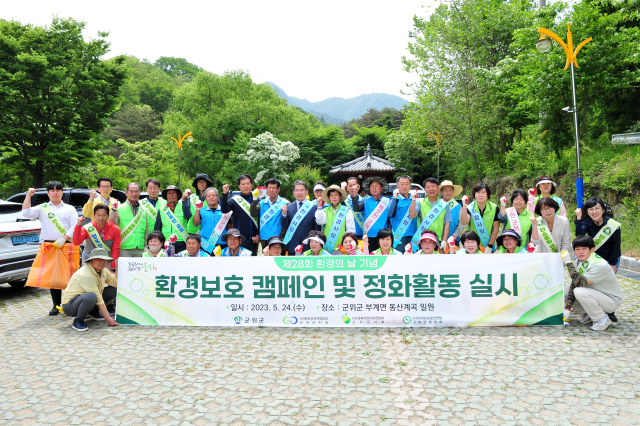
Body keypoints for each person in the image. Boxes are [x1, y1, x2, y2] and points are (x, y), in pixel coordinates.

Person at [22, 182, 79, 315]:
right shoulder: (43, 208)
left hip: (67, 245)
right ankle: (56, 306)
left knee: (71, 276)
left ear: (62, 192)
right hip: (50, 246)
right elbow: (26, 212)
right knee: (54, 278)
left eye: (58, 190)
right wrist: (28, 195)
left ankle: (71, 305)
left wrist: (63, 238)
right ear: (48, 193)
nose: (55, 192)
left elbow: (74, 226)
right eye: (52, 190)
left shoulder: (70, 208)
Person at [562, 236, 623, 331]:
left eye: (584, 249)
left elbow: (580, 283)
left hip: (611, 301)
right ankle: (589, 314)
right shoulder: (579, 262)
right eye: (577, 249)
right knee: (561, 291)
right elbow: (573, 285)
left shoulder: (599, 265)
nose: (580, 252)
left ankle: (601, 319)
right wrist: (567, 308)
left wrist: (568, 263)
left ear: (592, 249)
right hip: (595, 295)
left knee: (579, 291)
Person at [61, 248, 119, 331]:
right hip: (70, 306)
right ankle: (78, 321)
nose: (102, 261)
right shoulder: (86, 274)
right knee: (91, 296)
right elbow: (98, 299)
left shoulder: (103, 270)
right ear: (91, 260)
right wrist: (109, 319)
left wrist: (117, 267)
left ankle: (93, 312)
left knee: (113, 289)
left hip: (85, 300)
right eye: (99, 259)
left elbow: (115, 283)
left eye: (105, 259)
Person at [575, 197, 621, 273]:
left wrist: (612, 263)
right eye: (591, 209)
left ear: (603, 210)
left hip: (610, 257)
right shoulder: (587, 222)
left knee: (607, 282)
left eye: (597, 208)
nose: (594, 212)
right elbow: (580, 237)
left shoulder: (612, 224)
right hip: (594, 258)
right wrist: (579, 219)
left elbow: (616, 245)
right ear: (587, 211)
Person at [221, 174, 260, 256]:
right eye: (243, 184)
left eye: (248, 183)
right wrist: (224, 194)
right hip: (240, 239)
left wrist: (258, 234)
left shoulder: (257, 200)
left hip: (254, 239)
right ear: (239, 186)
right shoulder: (235, 200)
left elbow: (260, 219)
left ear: (252, 185)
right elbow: (224, 210)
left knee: (253, 264)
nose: (246, 186)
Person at [350, 176, 391, 252]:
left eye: (377, 186)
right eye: (372, 186)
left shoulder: (388, 201)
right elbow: (356, 209)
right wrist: (355, 195)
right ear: (369, 189)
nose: (374, 188)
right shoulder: (365, 201)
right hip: (368, 236)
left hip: (383, 236)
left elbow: (390, 219)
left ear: (381, 188)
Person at [73, 205, 121, 269]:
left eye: (104, 215)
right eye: (98, 215)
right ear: (94, 216)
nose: (101, 218)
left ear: (108, 216)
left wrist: (113, 267)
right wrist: (78, 226)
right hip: (89, 260)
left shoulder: (115, 229)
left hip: (106, 261)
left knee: (106, 279)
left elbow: (116, 249)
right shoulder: (87, 228)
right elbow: (76, 242)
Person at [109, 182, 149, 258]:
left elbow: (146, 230)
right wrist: (113, 211)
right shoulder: (119, 208)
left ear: (139, 192)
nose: (134, 194)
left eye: (136, 191)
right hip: (124, 248)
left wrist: (145, 246)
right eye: (131, 191)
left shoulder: (144, 210)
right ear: (126, 192)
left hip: (139, 248)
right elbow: (112, 226)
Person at [281, 180, 320, 256]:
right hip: (292, 245)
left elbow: (317, 229)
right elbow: (284, 225)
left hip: (309, 245)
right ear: (293, 193)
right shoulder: (288, 207)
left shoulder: (314, 207)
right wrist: (284, 214)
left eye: (302, 190)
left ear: (307, 192)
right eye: (297, 190)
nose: (299, 193)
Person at [413, 177, 451, 253]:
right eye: (428, 187)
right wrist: (413, 199)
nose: (431, 189)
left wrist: (444, 240)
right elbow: (412, 215)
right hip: (423, 240)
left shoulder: (444, 204)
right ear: (425, 189)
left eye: (433, 186)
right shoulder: (420, 202)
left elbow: (447, 223)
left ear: (438, 188)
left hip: (438, 240)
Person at [315, 185, 355, 253]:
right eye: (332, 195)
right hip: (327, 247)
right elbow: (319, 221)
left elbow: (351, 230)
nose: (334, 197)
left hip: (342, 248)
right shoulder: (325, 210)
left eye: (336, 195)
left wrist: (346, 243)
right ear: (329, 197)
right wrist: (319, 206)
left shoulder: (346, 211)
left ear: (340, 197)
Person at [250, 178, 289, 249]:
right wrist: (254, 199)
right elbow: (253, 214)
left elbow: (287, 222)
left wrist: (282, 236)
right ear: (266, 189)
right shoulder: (262, 203)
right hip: (264, 238)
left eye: (274, 188)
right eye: (269, 188)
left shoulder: (284, 203)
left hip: (278, 238)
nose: (271, 190)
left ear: (278, 189)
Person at [460, 183, 500, 252]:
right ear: (474, 194)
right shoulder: (469, 207)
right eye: (478, 192)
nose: (480, 195)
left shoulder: (494, 208)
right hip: (472, 247)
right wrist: (464, 206)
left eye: (483, 192)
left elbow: (495, 229)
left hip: (488, 246)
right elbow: (464, 222)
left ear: (488, 194)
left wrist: (490, 245)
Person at [192, 187, 230, 255]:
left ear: (217, 197)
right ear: (205, 198)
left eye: (213, 195)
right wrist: (197, 209)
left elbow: (230, 227)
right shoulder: (201, 211)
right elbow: (195, 224)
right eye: (208, 196)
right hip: (206, 245)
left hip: (223, 245)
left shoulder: (225, 211)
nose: (211, 197)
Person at [387, 175, 420, 253]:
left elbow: (414, 215)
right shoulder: (393, 199)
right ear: (397, 185)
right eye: (401, 184)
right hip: (399, 237)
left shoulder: (415, 199)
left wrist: (414, 199)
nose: (404, 186)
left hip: (413, 236)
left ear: (410, 185)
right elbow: (390, 214)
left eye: (406, 183)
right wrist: (395, 198)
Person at [154, 185, 188, 253]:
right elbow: (157, 229)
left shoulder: (184, 207)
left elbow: (189, 218)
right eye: (169, 193)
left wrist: (185, 202)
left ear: (177, 195)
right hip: (166, 243)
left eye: (173, 193)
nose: (171, 195)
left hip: (181, 243)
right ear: (166, 196)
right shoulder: (162, 210)